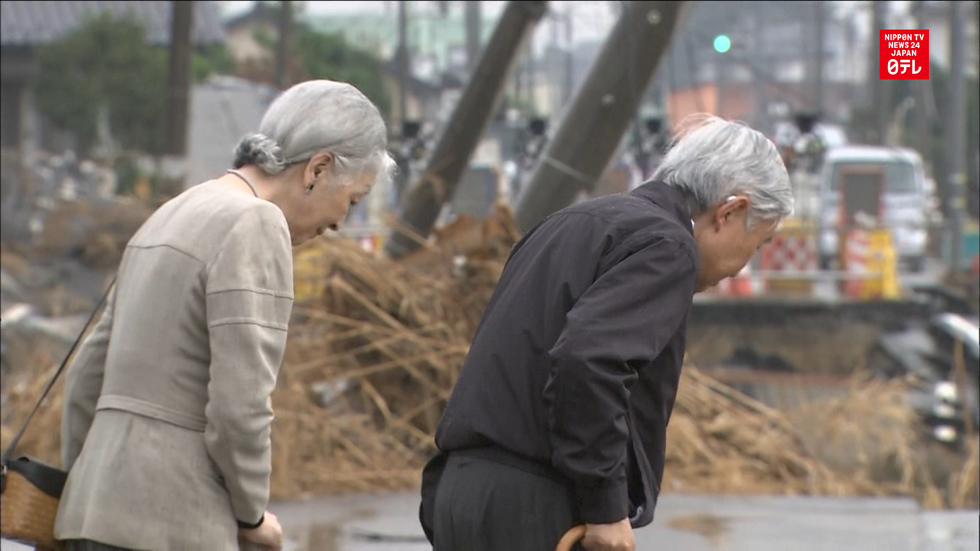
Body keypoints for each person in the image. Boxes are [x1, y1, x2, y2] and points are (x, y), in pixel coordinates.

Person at [419, 114, 793, 551]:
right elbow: (588, 360)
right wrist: (605, 506)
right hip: (537, 504)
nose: (744, 264)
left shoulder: (566, 224)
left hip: (461, 490)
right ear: (731, 211)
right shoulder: (668, 246)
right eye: (758, 242)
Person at [54, 80, 395, 551]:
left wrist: (86, 487)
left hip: (92, 516)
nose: (340, 223)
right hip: (176, 523)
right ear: (318, 168)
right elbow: (241, 406)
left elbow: (87, 378)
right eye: (352, 201)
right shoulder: (255, 223)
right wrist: (251, 513)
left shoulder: (172, 212)